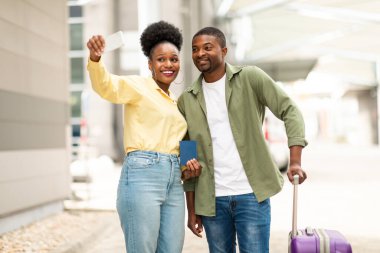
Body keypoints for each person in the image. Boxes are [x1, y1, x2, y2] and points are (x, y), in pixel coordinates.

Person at [177, 26, 308, 253]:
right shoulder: (187, 100)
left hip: (251, 195)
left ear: (224, 50)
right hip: (212, 201)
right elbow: (189, 158)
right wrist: (191, 209)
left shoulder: (250, 77)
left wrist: (295, 160)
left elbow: (290, 110)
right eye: (195, 49)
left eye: (207, 48)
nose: (200, 54)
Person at [86, 20, 200, 253]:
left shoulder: (177, 102)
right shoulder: (138, 86)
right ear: (150, 64)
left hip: (174, 182)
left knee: (172, 249)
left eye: (173, 59)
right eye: (161, 59)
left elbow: (185, 140)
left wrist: (190, 164)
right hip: (143, 175)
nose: (168, 64)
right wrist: (96, 59)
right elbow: (106, 86)